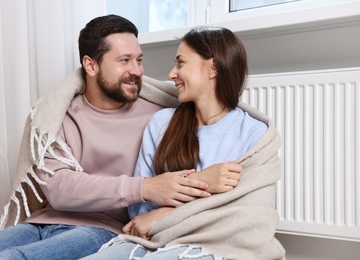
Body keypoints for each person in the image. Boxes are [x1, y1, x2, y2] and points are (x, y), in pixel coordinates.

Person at [0, 15, 214, 260]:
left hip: (101, 229)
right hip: (42, 222)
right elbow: (58, 188)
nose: (137, 71)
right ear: (90, 65)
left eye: (139, 60)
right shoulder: (56, 113)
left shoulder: (159, 116)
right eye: (124, 60)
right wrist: (143, 187)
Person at [82, 27, 286, 259]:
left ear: (212, 68)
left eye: (181, 63)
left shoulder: (253, 133)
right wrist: (200, 182)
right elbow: (140, 211)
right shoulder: (162, 124)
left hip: (217, 245)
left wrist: (166, 212)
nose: (171, 74)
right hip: (157, 239)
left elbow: (247, 216)